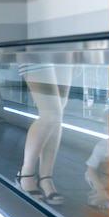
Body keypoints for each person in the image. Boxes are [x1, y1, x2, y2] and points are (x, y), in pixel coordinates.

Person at [15, 65, 72, 205]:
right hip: (35, 48)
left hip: (63, 51)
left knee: (57, 115)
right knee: (51, 113)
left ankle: (46, 177)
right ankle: (25, 174)